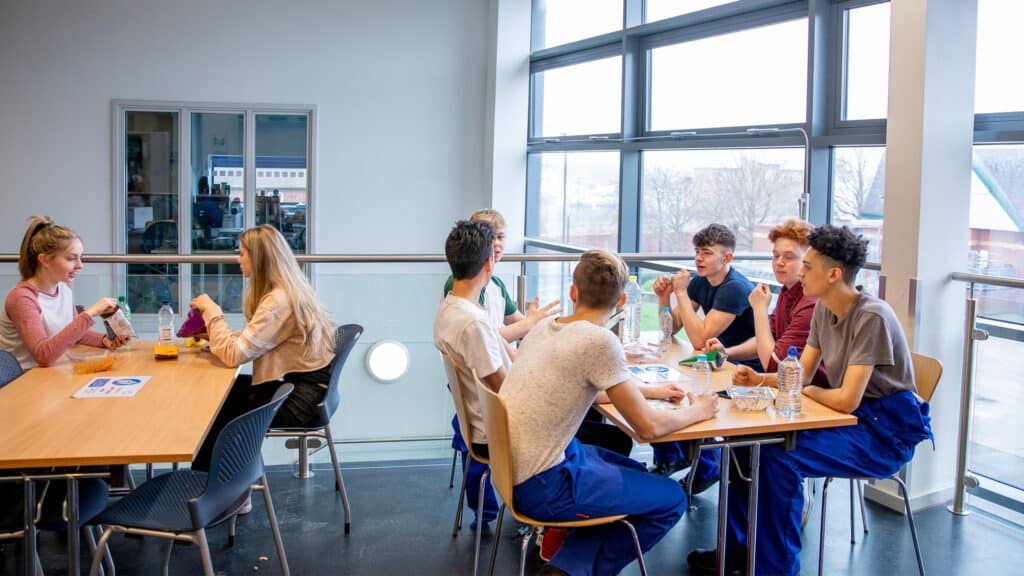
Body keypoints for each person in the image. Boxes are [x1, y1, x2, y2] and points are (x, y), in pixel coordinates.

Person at [687, 225, 934, 575]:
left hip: (885, 434)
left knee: (778, 456)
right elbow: (798, 373)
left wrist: (807, 390)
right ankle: (739, 550)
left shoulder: (871, 316)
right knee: (744, 444)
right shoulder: (824, 309)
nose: (800, 271)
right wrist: (760, 378)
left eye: (808, 266)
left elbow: (846, 399)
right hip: (853, 420)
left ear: (833, 275)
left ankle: (773, 568)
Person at [502, 249, 718, 576]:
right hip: (544, 484)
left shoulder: (545, 327)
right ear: (620, 301)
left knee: (639, 473)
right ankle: (574, 570)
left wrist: (649, 391)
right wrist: (699, 410)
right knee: (672, 497)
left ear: (573, 292)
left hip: (515, 470)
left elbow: (582, 386)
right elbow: (647, 429)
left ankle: (566, 567)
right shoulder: (600, 341)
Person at [190, 224, 336, 476]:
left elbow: (235, 355)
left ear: (258, 258)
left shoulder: (277, 302)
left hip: (300, 402)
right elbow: (259, 340)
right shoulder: (287, 291)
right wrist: (217, 337)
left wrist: (212, 312)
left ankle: (212, 488)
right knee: (228, 397)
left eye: (242, 253)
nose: (238, 260)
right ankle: (225, 486)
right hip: (307, 391)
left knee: (222, 408)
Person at [648, 223, 756, 485]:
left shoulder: (735, 287)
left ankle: (709, 466)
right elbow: (670, 330)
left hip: (743, 368)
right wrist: (665, 298)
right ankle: (672, 456)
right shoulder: (701, 281)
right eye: (697, 252)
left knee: (694, 394)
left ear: (726, 257)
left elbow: (699, 337)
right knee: (666, 387)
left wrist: (681, 292)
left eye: (706, 253)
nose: (698, 258)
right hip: (714, 360)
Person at [435, 219, 514, 530]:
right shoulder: (474, 324)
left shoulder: (451, 309)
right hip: (493, 433)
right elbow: (505, 389)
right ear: (488, 263)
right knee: (592, 430)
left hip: (477, 425)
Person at [705, 219, 828, 387]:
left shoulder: (810, 303)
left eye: (789, 257)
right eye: (776, 256)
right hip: (789, 388)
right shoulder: (788, 290)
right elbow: (767, 339)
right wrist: (726, 353)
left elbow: (772, 365)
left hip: (810, 395)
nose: (779, 262)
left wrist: (760, 309)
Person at [0, 216, 127, 370]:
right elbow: (43, 355)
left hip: (51, 375)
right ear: (44, 260)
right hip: (24, 382)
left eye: (81, 258)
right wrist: (89, 314)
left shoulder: (64, 288)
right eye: (72, 259)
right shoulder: (22, 298)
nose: (80, 266)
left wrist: (104, 340)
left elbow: (74, 333)